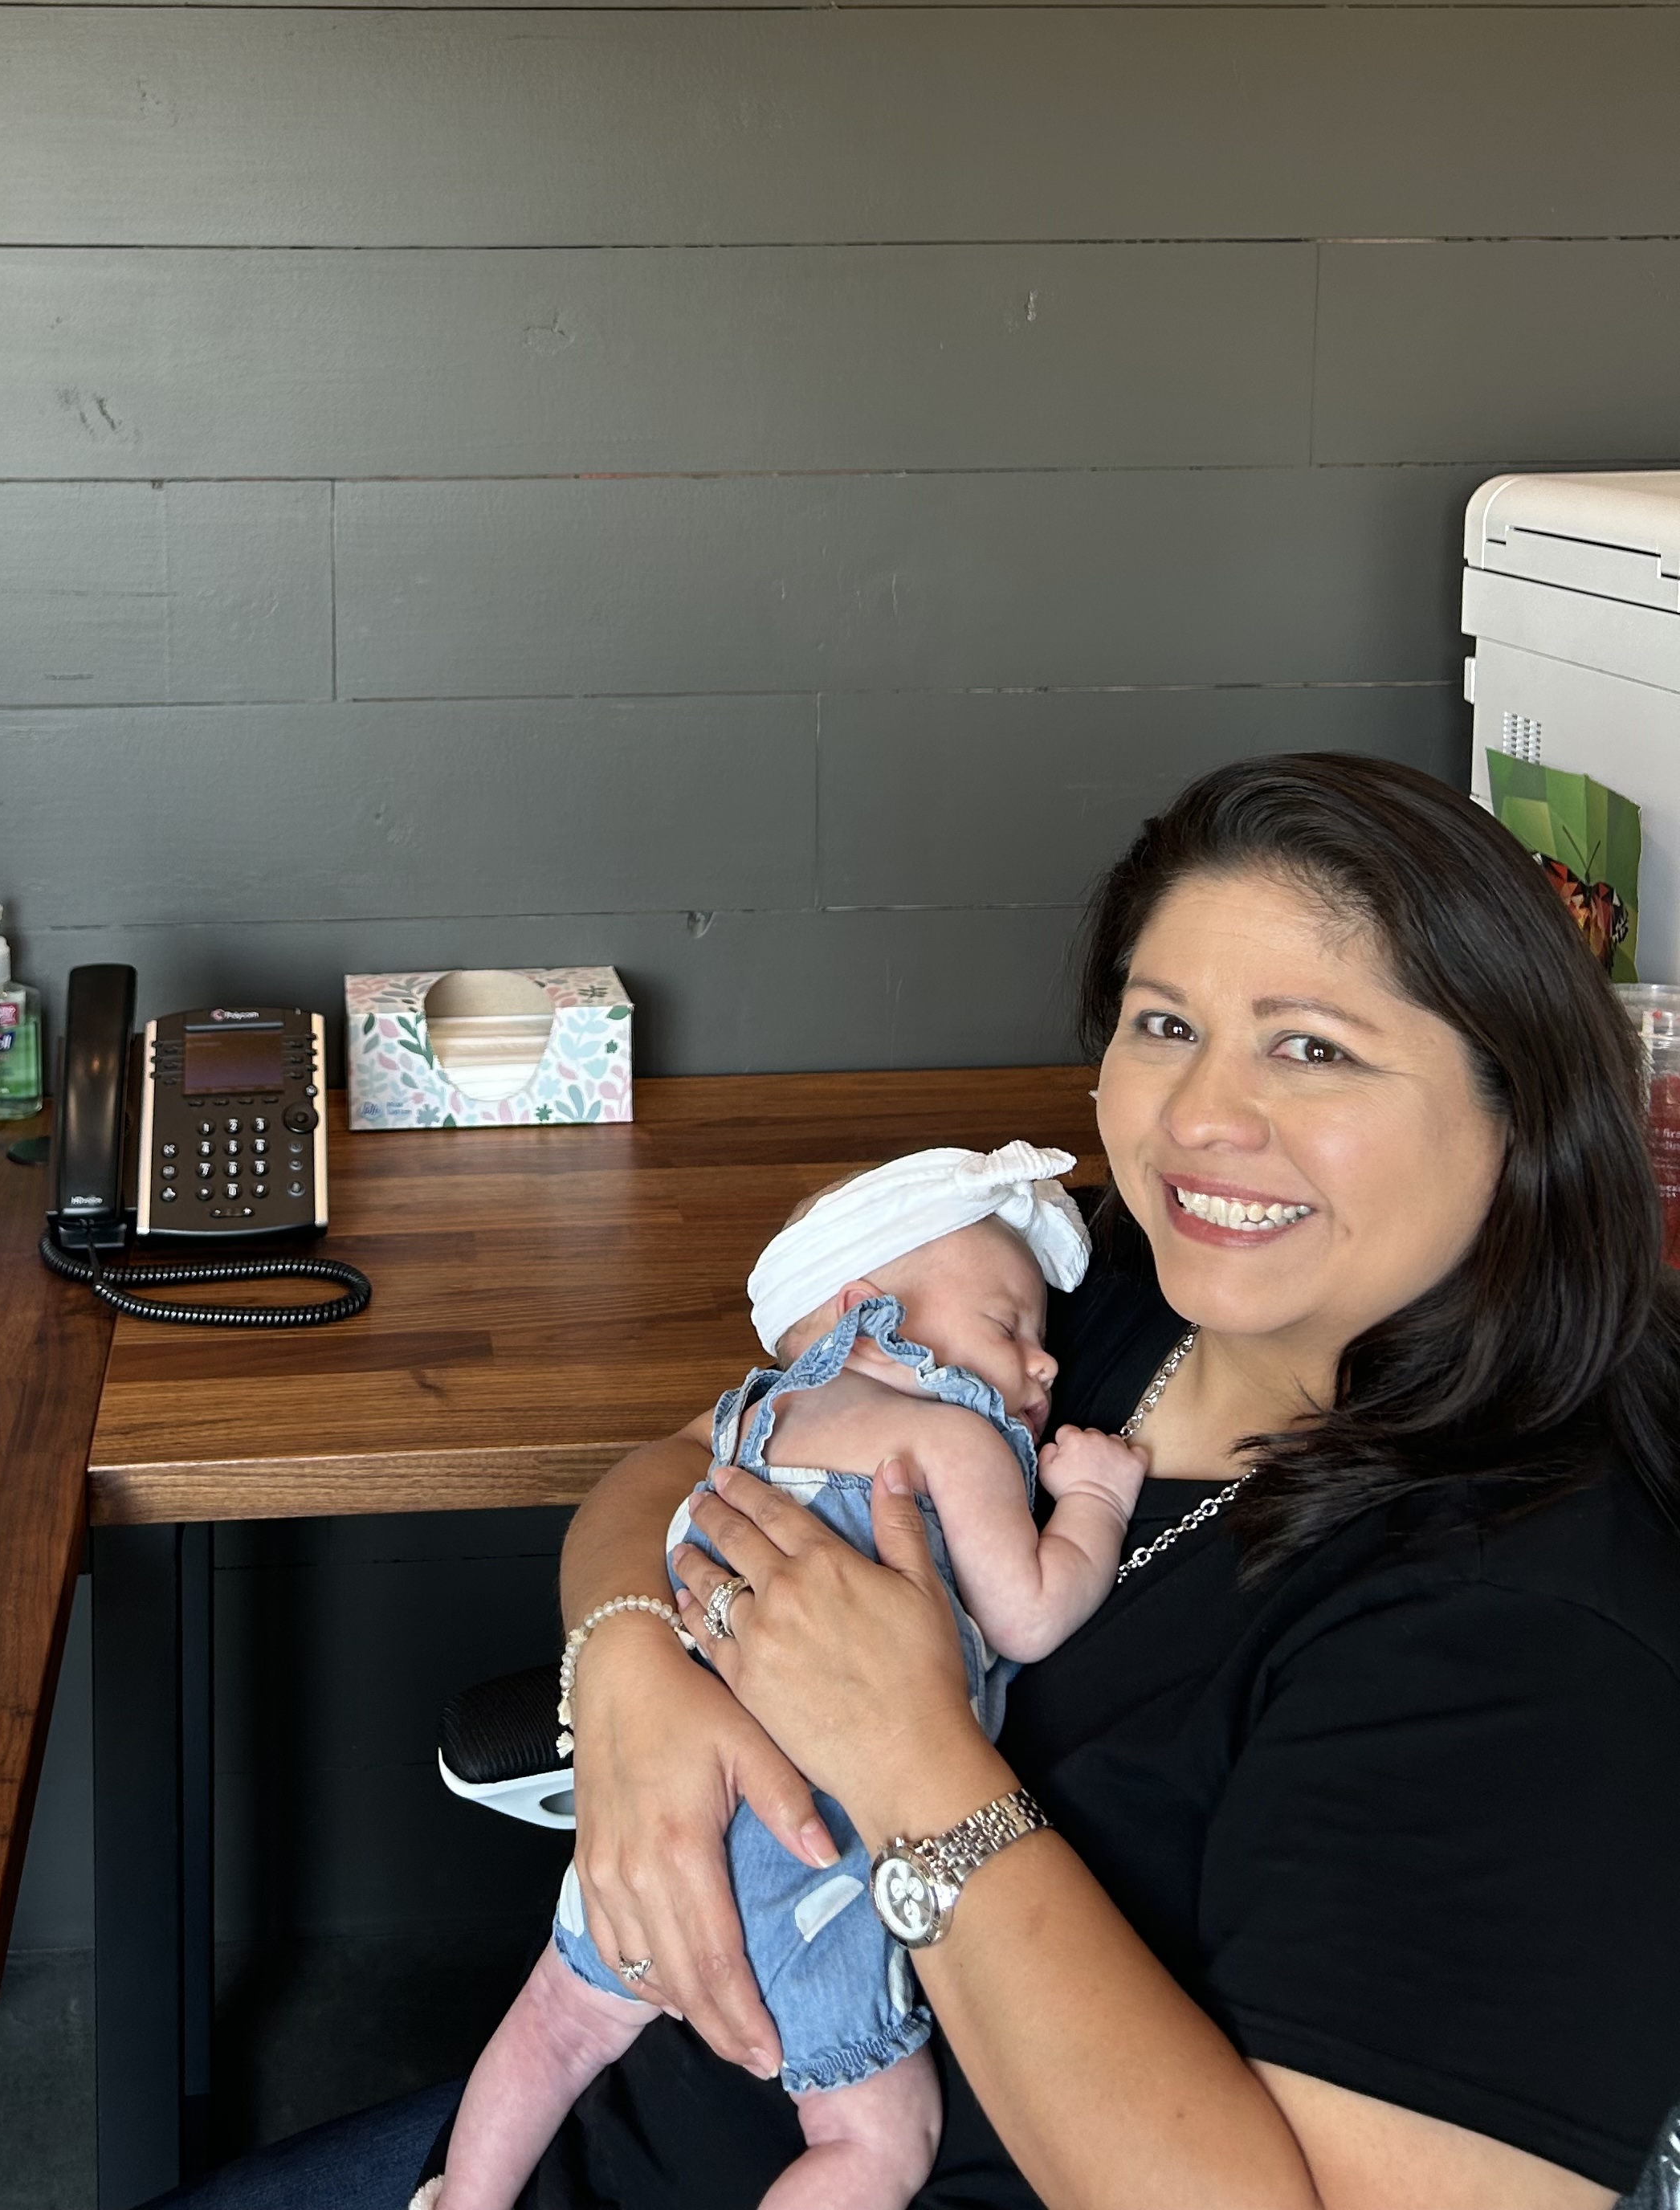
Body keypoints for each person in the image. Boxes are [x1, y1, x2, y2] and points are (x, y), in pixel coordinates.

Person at [164, 754, 1680, 2209]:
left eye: (1313, 1046)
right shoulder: (1094, 1290)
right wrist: (624, 1654)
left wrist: (911, 1760)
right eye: (1164, 1026)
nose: (1203, 1118)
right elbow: (694, 1458)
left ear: (1524, 1106)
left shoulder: (1530, 1635)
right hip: (623, 2114)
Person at [437, 1148, 1143, 2210]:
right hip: (813, 1867)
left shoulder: (755, 1418)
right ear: (867, 1316)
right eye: (1011, 1328)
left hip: (664, 1828)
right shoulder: (955, 1440)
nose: (1042, 1367)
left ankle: (462, 2198)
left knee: (558, 2019)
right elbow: (1029, 1614)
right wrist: (1092, 1502)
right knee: (873, 2141)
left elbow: (653, 1488)